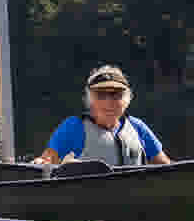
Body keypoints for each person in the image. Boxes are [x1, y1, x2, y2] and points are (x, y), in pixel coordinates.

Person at [35, 64, 172, 167]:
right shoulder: (73, 127)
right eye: (100, 95)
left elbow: (167, 168)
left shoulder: (138, 127)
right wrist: (40, 163)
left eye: (116, 95)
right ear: (90, 100)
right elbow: (46, 162)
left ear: (126, 100)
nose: (109, 102)